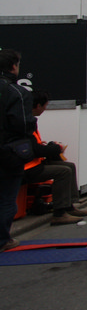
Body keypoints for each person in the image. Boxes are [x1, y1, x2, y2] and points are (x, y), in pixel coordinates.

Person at [23, 91, 87, 225]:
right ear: (38, 106)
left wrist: (44, 146)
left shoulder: (28, 120)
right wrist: (56, 148)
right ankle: (59, 213)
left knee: (69, 166)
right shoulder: (26, 123)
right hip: (28, 168)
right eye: (45, 106)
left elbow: (33, 146)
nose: (45, 109)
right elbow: (35, 150)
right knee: (63, 172)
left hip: (33, 163)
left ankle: (69, 206)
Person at [1, 49, 34, 253]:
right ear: (13, 67)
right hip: (8, 153)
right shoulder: (16, 92)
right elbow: (23, 124)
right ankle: (3, 239)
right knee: (6, 198)